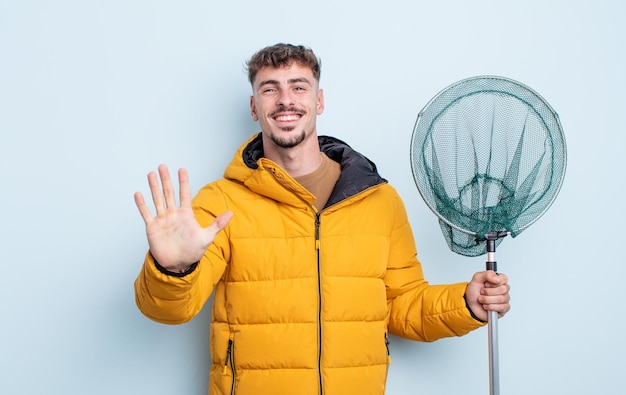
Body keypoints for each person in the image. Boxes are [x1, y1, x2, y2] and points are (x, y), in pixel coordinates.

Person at [134, 43, 510, 395]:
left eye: (298, 87)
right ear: (254, 107)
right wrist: (174, 269)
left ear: (319, 99)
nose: (285, 100)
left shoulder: (379, 200)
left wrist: (465, 302)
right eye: (270, 89)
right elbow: (169, 310)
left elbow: (401, 305)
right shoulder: (221, 202)